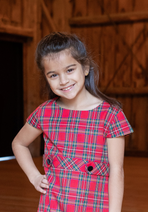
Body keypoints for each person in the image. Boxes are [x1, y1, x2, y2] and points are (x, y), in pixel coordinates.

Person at [12, 32, 133, 212]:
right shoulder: (45, 112)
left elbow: (117, 170)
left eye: (70, 70)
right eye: (53, 75)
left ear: (84, 68)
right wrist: (34, 176)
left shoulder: (111, 114)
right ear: (46, 77)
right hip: (52, 205)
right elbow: (19, 143)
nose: (63, 80)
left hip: (95, 206)